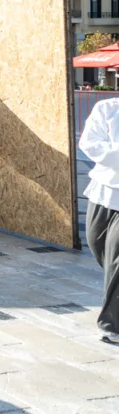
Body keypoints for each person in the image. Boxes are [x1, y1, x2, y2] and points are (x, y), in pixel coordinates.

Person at [79, 98, 119, 344]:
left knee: (117, 258)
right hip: (104, 190)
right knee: (97, 244)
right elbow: (90, 144)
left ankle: (111, 324)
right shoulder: (107, 108)